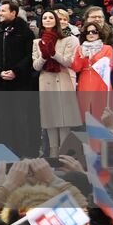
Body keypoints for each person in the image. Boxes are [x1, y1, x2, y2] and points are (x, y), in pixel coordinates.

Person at [0, 0, 37, 155]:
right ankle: (5, 151)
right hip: (1, 83)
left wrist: (16, 71)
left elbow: (29, 55)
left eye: (3, 11)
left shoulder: (25, 32)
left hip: (20, 83)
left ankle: (22, 151)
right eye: (0, 10)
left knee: (20, 119)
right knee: (4, 119)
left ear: (13, 13)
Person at [32, 9, 79, 155]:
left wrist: (53, 53)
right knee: (50, 118)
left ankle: (64, 152)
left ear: (56, 20)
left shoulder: (69, 39)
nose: (47, 20)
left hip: (63, 78)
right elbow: (36, 66)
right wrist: (45, 56)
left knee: (64, 118)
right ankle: (53, 152)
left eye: (50, 17)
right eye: (44, 18)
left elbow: (68, 62)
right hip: (46, 80)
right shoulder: (37, 41)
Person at [71, 20, 113, 121]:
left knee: (101, 110)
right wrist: (80, 57)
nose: (91, 34)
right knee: (86, 110)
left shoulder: (107, 48)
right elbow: (76, 68)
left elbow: (109, 66)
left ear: (99, 33)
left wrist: (91, 57)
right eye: (88, 32)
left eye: (94, 32)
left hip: (101, 80)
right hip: (85, 80)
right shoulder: (80, 48)